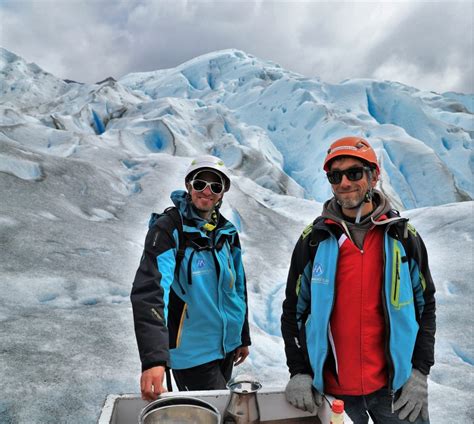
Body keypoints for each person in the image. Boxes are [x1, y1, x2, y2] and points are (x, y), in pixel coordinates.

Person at [281, 137, 436, 423]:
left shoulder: (402, 237)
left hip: (396, 390)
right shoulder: (314, 241)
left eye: (354, 173)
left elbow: (425, 306)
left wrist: (419, 372)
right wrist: (299, 371)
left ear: (374, 176)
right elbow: (294, 311)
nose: (344, 183)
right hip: (334, 395)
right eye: (335, 176)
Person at [131, 155, 251, 401]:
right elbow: (151, 291)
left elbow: (237, 286)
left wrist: (242, 336)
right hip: (191, 353)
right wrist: (154, 358)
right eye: (200, 184)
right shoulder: (168, 230)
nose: (207, 191)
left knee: (217, 410)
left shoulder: (226, 232)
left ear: (222, 194)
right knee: (214, 414)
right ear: (188, 186)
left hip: (226, 348)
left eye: (215, 186)